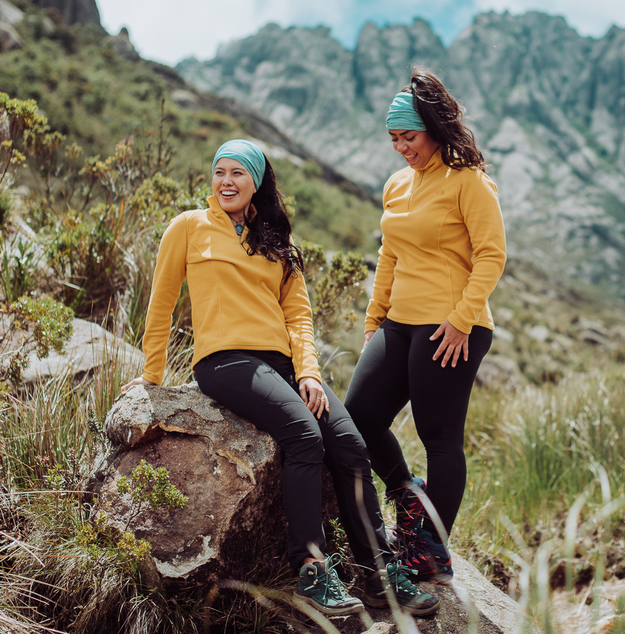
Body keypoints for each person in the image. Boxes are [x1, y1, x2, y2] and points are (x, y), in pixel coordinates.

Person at [121, 139, 438, 617]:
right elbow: (161, 302)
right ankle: (312, 572)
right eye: (218, 172)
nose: (225, 181)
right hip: (226, 362)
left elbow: (299, 316)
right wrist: (150, 376)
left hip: (285, 366)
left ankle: (379, 575)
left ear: (256, 182)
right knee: (304, 436)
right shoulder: (188, 227)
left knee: (351, 445)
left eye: (237, 174)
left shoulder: (276, 241)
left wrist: (309, 373)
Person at [344, 70, 507, 582]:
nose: (401, 149)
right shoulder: (396, 185)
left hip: (450, 327)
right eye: (394, 140)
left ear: (434, 129)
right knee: (358, 419)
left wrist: (461, 321)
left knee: (439, 437)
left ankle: (431, 550)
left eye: (408, 137)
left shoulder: (469, 181)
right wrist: (374, 322)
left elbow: (491, 255)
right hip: (399, 323)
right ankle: (408, 499)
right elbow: (389, 255)